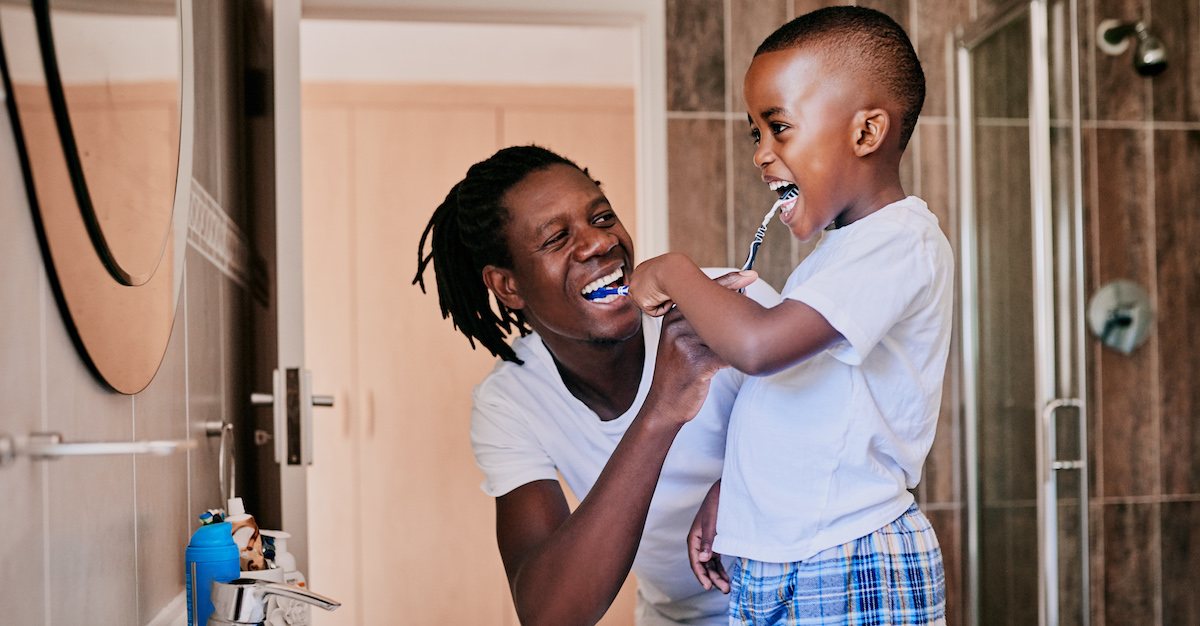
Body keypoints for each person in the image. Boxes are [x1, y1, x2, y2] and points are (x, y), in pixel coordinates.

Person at [627, 7, 953, 625]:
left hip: (849, 555)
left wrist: (673, 272)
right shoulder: (838, 256)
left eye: (778, 128)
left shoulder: (901, 240)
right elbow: (805, 406)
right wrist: (736, 494)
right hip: (792, 553)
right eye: (756, 134)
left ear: (866, 133)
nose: (761, 154)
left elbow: (759, 348)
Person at [413, 145, 778, 626]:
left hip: (801, 597)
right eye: (556, 238)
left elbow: (842, 432)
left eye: (602, 218)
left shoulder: (716, 300)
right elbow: (550, 614)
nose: (599, 243)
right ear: (508, 286)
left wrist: (736, 488)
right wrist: (662, 408)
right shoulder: (512, 402)